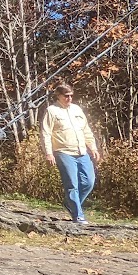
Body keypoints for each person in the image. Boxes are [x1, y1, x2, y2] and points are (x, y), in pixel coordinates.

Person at [40, 82, 101, 224]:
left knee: (88, 182)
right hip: (63, 152)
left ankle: (71, 204)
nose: (69, 99)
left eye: (71, 96)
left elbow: (86, 130)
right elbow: (45, 133)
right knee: (72, 184)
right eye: (66, 96)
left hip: (81, 151)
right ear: (59, 96)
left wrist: (93, 147)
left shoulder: (77, 110)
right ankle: (78, 215)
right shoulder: (52, 111)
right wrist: (48, 153)